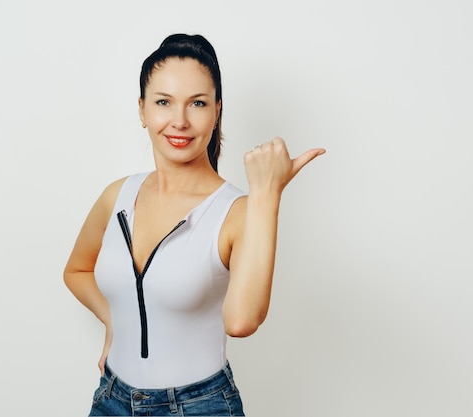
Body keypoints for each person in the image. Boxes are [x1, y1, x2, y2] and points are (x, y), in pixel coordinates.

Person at [63, 33, 325, 416]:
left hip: (198, 407)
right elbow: (77, 270)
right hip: (112, 400)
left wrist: (267, 194)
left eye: (197, 103)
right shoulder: (117, 195)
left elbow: (241, 321)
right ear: (142, 110)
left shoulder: (235, 211)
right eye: (164, 102)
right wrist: (114, 321)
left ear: (217, 110)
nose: (180, 121)